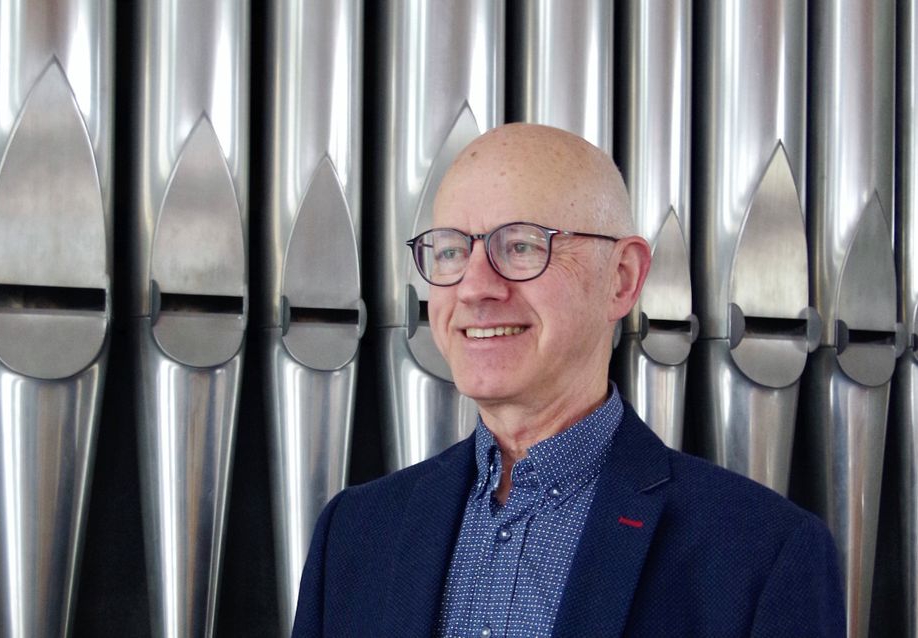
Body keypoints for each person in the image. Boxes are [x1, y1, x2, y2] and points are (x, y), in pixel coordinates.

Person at [291, 123, 845, 637]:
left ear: (622, 280)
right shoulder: (354, 533)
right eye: (453, 250)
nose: (474, 287)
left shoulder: (763, 552)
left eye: (522, 246)